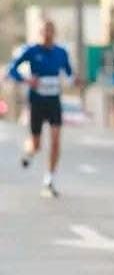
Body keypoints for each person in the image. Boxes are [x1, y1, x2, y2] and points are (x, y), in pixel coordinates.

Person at [7, 20, 74, 197]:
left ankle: (49, 180)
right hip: (37, 101)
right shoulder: (31, 51)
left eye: (50, 31)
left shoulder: (61, 53)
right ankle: (28, 153)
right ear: (40, 33)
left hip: (54, 101)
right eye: (44, 31)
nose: (47, 35)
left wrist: (74, 80)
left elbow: (69, 73)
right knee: (36, 144)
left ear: (54, 33)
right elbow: (12, 69)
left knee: (56, 139)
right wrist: (27, 79)